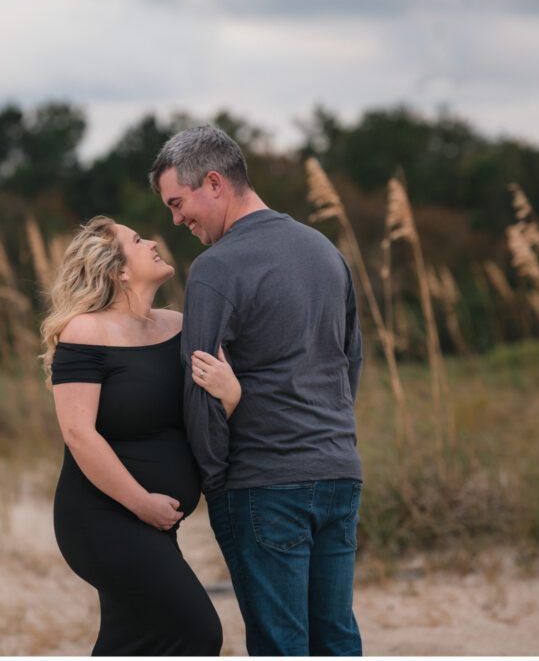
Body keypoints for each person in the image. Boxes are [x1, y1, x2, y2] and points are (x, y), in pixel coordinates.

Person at [149, 125, 365, 656]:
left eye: (179, 202)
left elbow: (200, 391)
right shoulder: (324, 250)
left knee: (280, 644)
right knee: (335, 636)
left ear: (215, 183)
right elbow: (350, 361)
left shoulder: (216, 268)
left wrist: (217, 481)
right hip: (338, 472)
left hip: (263, 483)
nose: (176, 220)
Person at [40, 215, 227, 656]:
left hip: (157, 523)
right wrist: (142, 504)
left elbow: (212, 410)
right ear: (117, 269)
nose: (153, 243)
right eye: (138, 240)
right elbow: (78, 434)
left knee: (134, 641)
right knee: (197, 632)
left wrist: (231, 392)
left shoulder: (180, 326)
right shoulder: (86, 331)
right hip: (103, 518)